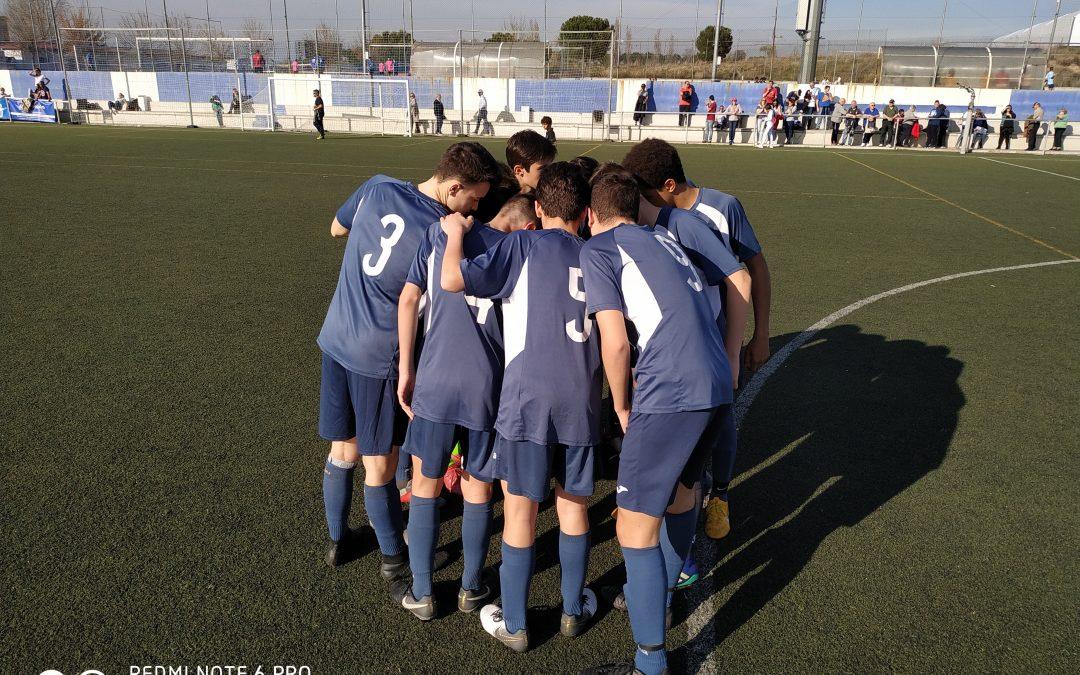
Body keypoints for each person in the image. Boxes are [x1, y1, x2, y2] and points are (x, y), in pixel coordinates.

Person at [578, 168, 743, 675]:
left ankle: (650, 663)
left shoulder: (599, 250)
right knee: (682, 495)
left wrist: (623, 407)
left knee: (632, 526)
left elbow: (617, 340)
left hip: (671, 390)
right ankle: (662, 600)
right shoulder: (663, 237)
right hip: (715, 384)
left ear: (591, 214)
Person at [317, 142, 501, 577]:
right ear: (454, 187)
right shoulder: (440, 229)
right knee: (379, 464)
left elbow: (335, 230)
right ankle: (393, 559)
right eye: (473, 198)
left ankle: (338, 541)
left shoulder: (376, 186)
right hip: (379, 355)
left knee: (342, 447)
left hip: (336, 336)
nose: (475, 208)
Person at [440, 163, 601, 653]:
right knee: (574, 507)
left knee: (519, 509)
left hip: (527, 400)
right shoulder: (601, 255)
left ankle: (516, 622)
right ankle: (573, 611)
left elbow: (452, 281)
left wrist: (452, 234)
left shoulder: (522, 245)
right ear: (586, 213)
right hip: (582, 402)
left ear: (537, 209)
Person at [390, 194, 540, 621]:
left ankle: (421, 592)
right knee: (478, 487)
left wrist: (406, 366)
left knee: (425, 484)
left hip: (436, 382)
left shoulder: (440, 235)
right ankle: (471, 588)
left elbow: (407, 301)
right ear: (528, 226)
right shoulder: (520, 251)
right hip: (488, 389)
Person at [621, 138, 772, 546]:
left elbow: (753, 268)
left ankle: (719, 495)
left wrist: (756, 338)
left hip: (717, 343)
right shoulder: (644, 218)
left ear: (668, 184)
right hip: (668, 349)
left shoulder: (722, 208)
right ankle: (674, 498)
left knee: (719, 422)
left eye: (645, 190)